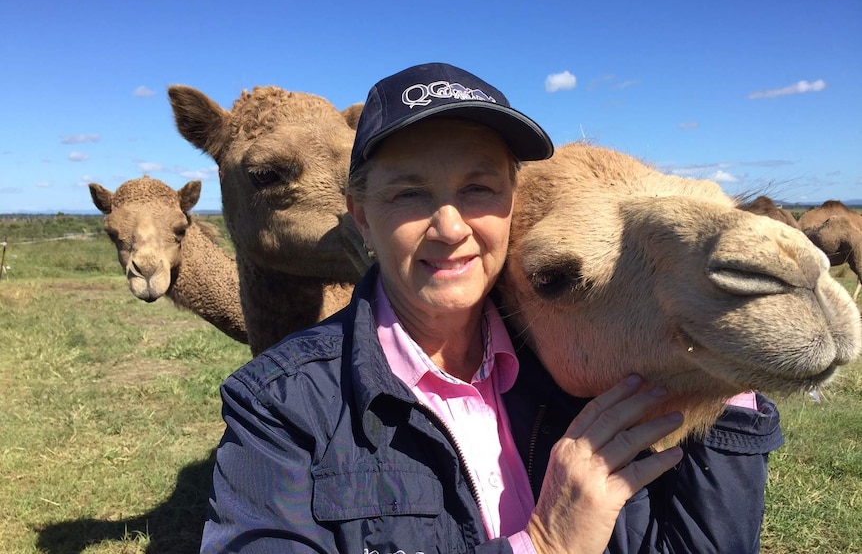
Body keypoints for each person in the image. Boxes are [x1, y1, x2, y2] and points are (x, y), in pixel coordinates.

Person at [200, 62, 783, 554]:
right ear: (360, 215)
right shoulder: (281, 409)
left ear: (512, 202)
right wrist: (544, 543)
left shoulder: (569, 352)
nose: (450, 226)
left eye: (479, 188)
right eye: (409, 194)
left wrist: (718, 342)